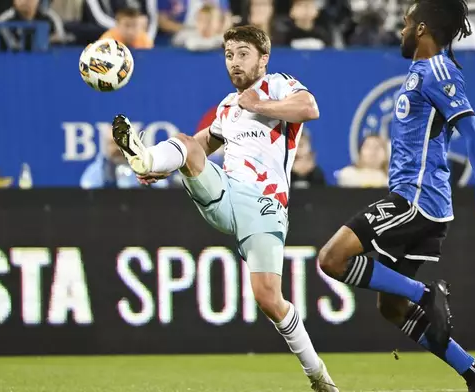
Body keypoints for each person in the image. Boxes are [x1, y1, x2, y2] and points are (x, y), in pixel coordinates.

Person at [110, 25, 337, 392]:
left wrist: (260, 105)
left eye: (243, 53)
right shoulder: (227, 108)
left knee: (268, 298)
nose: (234, 62)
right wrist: (157, 166)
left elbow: (310, 107)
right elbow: (200, 144)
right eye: (229, 55)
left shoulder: (277, 85)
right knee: (186, 143)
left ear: (263, 58)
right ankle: (146, 157)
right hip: (227, 194)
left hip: (265, 204)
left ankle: (319, 377)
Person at [317, 1, 475, 392]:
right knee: (391, 306)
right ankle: (474, 371)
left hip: (415, 202)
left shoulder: (437, 70)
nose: (400, 30)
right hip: (426, 207)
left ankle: (427, 293)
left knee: (332, 259)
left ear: (421, 29)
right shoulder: (420, 72)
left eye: (405, 23)